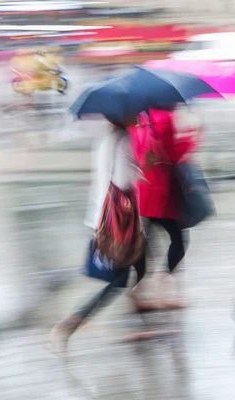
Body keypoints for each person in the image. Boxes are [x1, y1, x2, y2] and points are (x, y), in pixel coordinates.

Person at [49, 114, 148, 354]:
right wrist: (141, 169)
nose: (139, 117)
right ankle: (68, 326)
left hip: (101, 216)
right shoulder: (124, 139)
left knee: (143, 261)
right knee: (119, 280)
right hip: (118, 222)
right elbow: (124, 180)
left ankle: (136, 308)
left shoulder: (105, 139)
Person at [130, 107, 200, 309]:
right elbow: (173, 155)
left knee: (147, 241)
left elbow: (137, 156)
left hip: (143, 190)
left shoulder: (137, 122)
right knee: (178, 240)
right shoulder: (166, 119)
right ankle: (166, 284)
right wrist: (192, 138)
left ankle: (139, 289)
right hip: (164, 190)